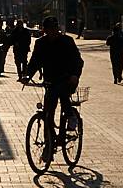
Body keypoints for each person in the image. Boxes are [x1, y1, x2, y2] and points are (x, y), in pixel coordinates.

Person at [18, 16, 84, 163]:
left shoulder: (67, 41)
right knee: (47, 113)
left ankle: (71, 116)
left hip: (67, 78)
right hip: (50, 80)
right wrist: (27, 76)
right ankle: (49, 145)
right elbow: (34, 61)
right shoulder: (40, 43)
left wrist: (75, 75)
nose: (52, 32)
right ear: (45, 30)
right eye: (48, 30)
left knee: (62, 93)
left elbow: (78, 61)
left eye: (54, 29)